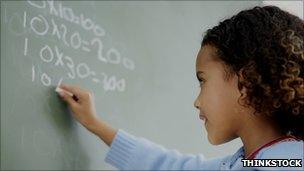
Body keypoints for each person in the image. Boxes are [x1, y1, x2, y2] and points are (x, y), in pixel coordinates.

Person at [57, 5, 304, 170]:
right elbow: (169, 165)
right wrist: (95, 124)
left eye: (203, 80)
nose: (196, 101)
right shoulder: (249, 163)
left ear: (245, 82)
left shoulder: (288, 162)